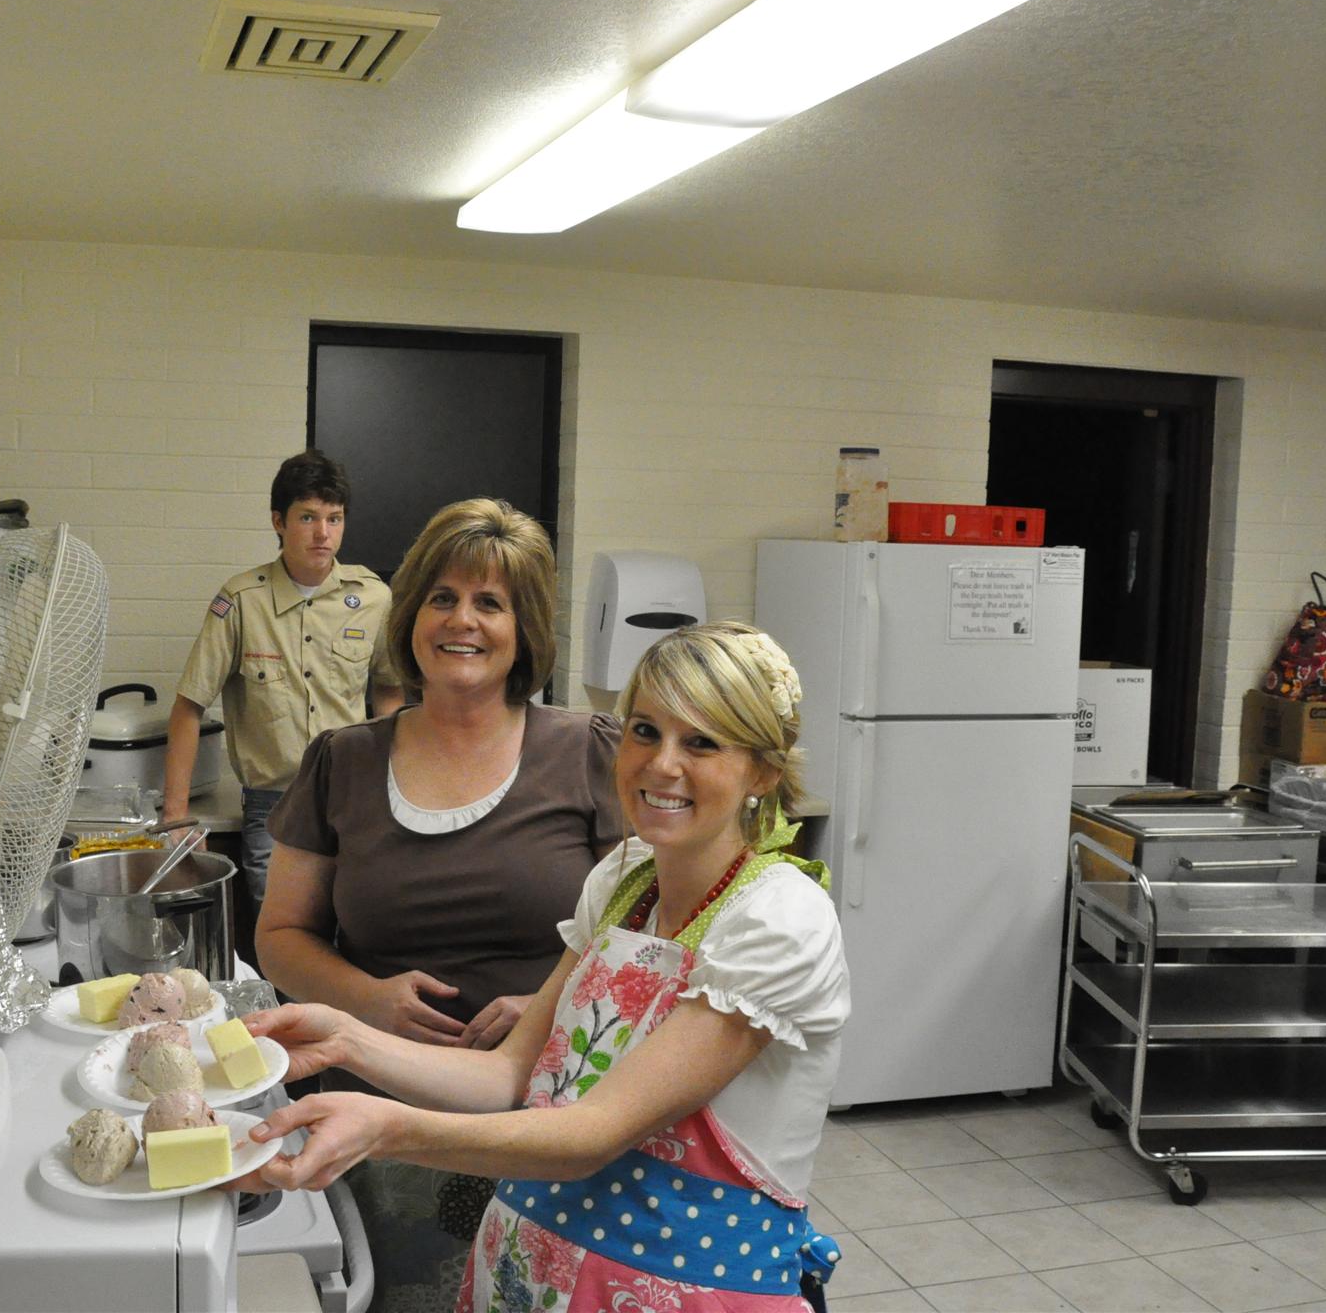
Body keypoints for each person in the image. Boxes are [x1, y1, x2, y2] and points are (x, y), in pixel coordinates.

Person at [246, 621, 851, 1313]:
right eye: (645, 731)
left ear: (764, 771)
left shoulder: (776, 920)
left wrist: (387, 1129)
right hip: (529, 1273)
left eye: (702, 742)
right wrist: (347, 1038)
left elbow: (592, 1134)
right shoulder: (623, 882)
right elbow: (510, 1074)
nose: (661, 765)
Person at [258, 497, 626, 1310]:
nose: (463, 620)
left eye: (491, 602)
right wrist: (366, 999)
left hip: (545, 1113)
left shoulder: (588, 753)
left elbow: (643, 938)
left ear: (524, 629)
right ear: (412, 615)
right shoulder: (342, 762)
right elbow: (280, 934)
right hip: (377, 1119)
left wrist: (548, 1003)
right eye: (443, 597)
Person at [164, 450, 403, 913]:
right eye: (308, 517)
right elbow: (189, 706)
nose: (323, 533)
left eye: (334, 518)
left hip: (353, 796)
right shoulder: (242, 600)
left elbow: (390, 691)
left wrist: (392, 780)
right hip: (274, 805)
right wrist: (176, 816)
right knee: (279, 929)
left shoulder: (374, 598)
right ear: (279, 521)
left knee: (355, 921)